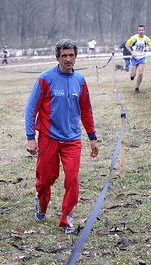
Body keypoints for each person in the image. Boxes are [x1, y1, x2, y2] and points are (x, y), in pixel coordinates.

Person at [25, 39, 99, 234]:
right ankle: (41, 206)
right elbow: (31, 108)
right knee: (46, 179)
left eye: (71, 55)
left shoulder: (80, 81)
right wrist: (30, 136)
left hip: (72, 139)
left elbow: (86, 111)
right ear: (57, 57)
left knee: (72, 178)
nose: (68, 59)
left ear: (76, 57)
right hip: (48, 137)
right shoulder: (45, 79)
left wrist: (92, 137)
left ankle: (67, 219)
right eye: (64, 56)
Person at [125, 25, 151, 93]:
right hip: (134, 58)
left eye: (142, 30)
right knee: (133, 74)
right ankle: (132, 75)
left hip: (142, 57)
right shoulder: (134, 38)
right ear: (138, 31)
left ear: (144, 31)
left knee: (140, 73)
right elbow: (127, 45)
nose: (141, 31)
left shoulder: (146, 39)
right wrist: (132, 52)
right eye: (139, 30)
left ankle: (137, 87)